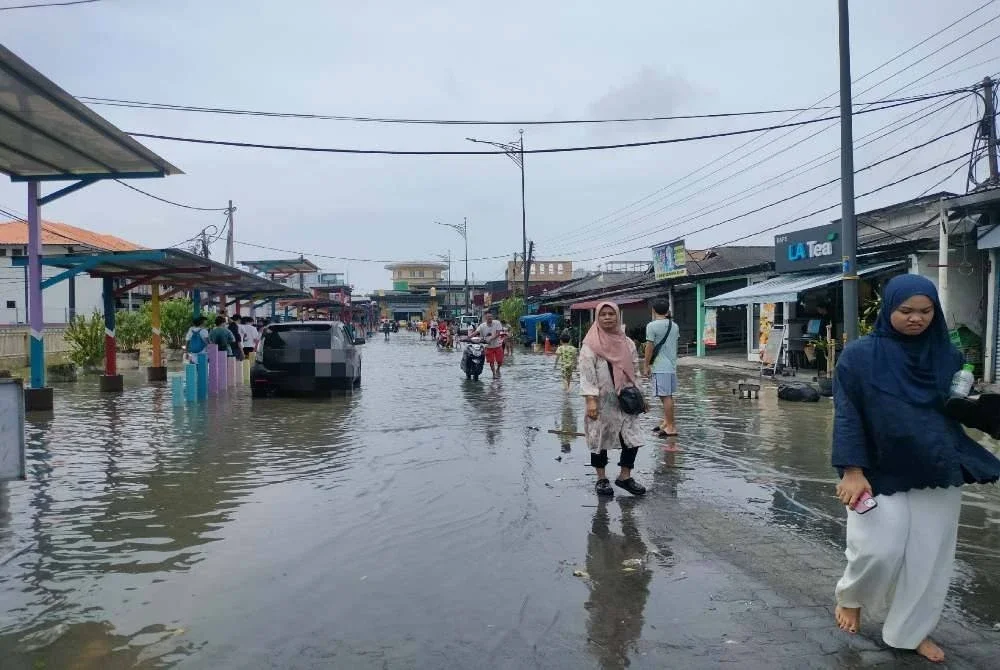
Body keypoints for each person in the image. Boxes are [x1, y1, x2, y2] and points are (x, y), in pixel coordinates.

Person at [831, 275, 1000, 663]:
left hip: (936, 462)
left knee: (929, 557)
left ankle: (909, 632)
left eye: (925, 311)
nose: (916, 319)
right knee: (877, 548)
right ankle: (852, 597)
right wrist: (851, 470)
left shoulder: (948, 356)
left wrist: (982, 412)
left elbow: (954, 405)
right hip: (877, 466)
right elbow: (847, 414)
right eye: (905, 311)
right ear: (889, 308)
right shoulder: (858, 356)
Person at [579, 302, 646, 498]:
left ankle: (625, 476)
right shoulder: (590, 344)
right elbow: (586, 372)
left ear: (618, 316)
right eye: (603, 315)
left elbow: (634, 371)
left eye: (611, 314)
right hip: (602, 400)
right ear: (597, 318)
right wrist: (591, 399)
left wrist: (641, 395)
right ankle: (601, 479)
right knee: (599, 437)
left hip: (626, 398)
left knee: (632, 438)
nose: (607, 317)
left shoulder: (627, 343)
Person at [643, 299, 680, 436]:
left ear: (653, 310)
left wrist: (646, 364)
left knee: (665, 397)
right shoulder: (674, 325)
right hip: (671, 365)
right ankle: (666, 421)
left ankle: (670, 427)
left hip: (660, 365)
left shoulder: (652, 326)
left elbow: (649, 346)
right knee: (666, 396)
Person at [475, 312, 504, 378]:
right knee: (491, 362)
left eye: (491, 316)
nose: (490, 318)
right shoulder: (482, 326)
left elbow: (498, 333)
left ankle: (498, 369)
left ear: (492, 317)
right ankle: (494, 374)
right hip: (488, 347)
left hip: (498, 345)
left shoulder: (497, 323)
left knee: (500, 361)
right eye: (488, 317)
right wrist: (468, 337)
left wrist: (490, 338)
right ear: (485, 318)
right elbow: (476, 332)